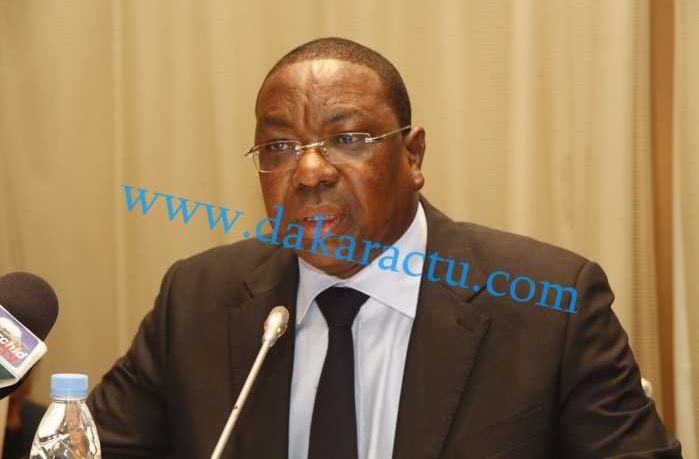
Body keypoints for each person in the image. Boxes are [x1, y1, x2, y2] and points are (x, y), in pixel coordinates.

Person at [87, 38, 681, 458]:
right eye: (279, 148)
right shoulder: (196, 299)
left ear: (413, 155)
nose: (310, 172)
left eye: (347, 139)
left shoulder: (551, 303)